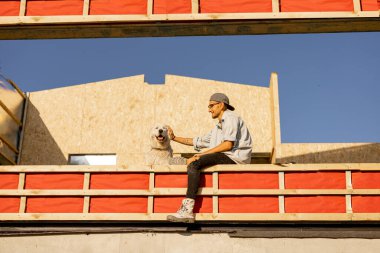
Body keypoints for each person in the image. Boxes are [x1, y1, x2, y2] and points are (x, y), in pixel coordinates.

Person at [166, 93, 252, 223]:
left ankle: (187, 210)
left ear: (221, 105)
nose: (209, 109)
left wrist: (202, 155)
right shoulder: (217, 128)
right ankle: (185, 162)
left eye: (211, 106)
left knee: (195, 163)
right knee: (195, 160)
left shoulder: (230, 118)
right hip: (226, 156)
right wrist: (174, 138)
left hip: (235, 158)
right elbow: (197, 141)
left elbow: (228, 145)